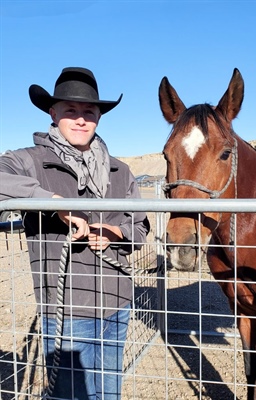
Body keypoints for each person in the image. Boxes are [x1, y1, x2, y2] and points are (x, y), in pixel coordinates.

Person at [0, 67, 150, 399]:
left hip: (117, 303)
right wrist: (54, 202)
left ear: (99, 117)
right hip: (68, 310)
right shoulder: (31, 162)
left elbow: (141, 226)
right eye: (71, 110)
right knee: (71, 395)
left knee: (109, 392)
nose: (80, 119)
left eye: (89, 112)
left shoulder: (120, 171)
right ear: (53, 114)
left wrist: (116, 232)